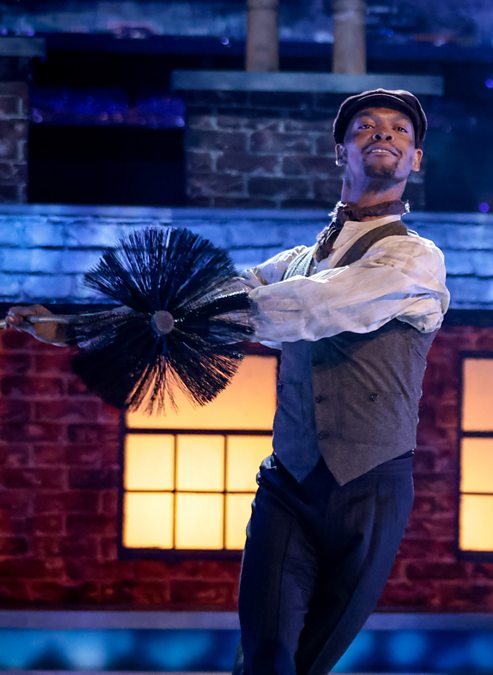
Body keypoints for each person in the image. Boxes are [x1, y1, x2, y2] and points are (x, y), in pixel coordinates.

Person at [6, 87, 450, 675]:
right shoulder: (296, 261)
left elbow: (313, 306)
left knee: (308, 662)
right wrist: (82, 327)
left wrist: (206, 315)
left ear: (416, 158)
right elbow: (200, 299)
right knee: (265, 657)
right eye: (366, 126)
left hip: (369, 487)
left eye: (400, 129)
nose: (384, 133)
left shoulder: (415, 260)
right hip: (289, 482)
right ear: (340, 151)